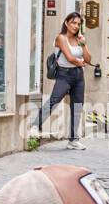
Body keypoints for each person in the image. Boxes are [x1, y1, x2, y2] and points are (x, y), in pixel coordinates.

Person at [37, 12, 91, 151]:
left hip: (78, 76)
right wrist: (80, 62)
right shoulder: (61, 38)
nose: (76, 26)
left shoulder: (79, 39)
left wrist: (84, 44)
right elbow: (69, 57)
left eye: (78, 24)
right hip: (64, 75)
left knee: (77, 106)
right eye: (73, 22)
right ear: (66, 23)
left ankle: (73, 140)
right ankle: (34, 126)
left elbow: (89, 59)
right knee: (54, 100)